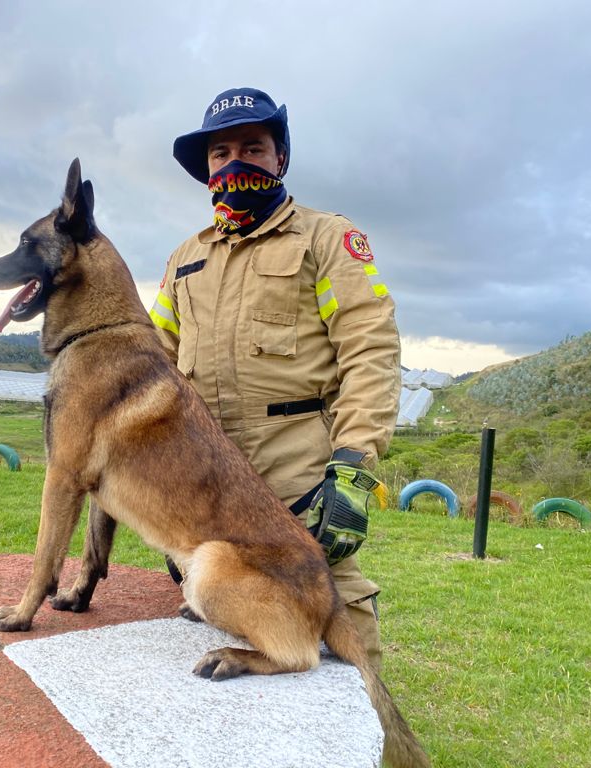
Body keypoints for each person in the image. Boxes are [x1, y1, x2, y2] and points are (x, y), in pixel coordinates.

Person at [150, 87, 401, 670]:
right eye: (220, 153)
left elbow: (370, 347)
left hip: (299, 485)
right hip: (207, 490)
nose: (234, 163)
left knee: (342, 633)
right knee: (231, 630)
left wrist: (353, 466)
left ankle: (380, 751)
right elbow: (154, 362)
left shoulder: (326, 238)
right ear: (206, 168)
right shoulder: (185, 258)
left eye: (253, 148)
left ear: (280, 157)